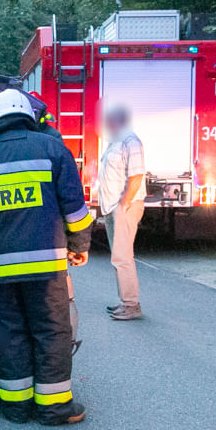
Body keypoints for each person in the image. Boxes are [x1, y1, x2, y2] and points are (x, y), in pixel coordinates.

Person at [0, 89, 93, 426]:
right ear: (28, 115)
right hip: (45, 270)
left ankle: (16, 408)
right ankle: (54, 408)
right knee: (51, 332)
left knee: (9, 335)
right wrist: (79, 245)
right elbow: (76, 209)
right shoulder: (53, 149)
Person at [98, 105, 146, 320]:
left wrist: (123, 205)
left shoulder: (131, 142)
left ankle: (131, 304)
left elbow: (136, 176)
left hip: (123, 207)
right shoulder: (115, 141)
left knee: (122, 257)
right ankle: (125, 301)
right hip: (112, 207)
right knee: (119, 257)